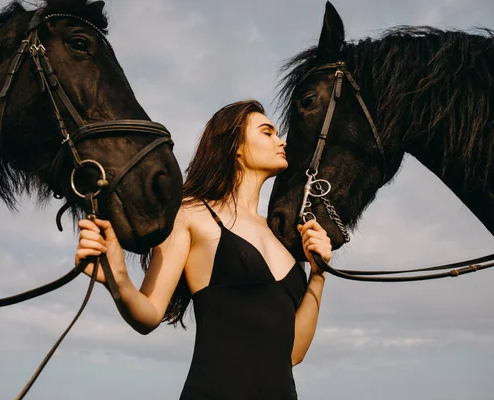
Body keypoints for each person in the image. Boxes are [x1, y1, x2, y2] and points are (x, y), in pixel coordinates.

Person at [75, 100, 332, 399]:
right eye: (267, 132)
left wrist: (318, 275)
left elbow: (292, 353)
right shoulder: (191, 214)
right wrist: (118, 276)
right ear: (235, 145)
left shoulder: (284, 236)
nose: (281, 141)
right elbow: (149, 314)